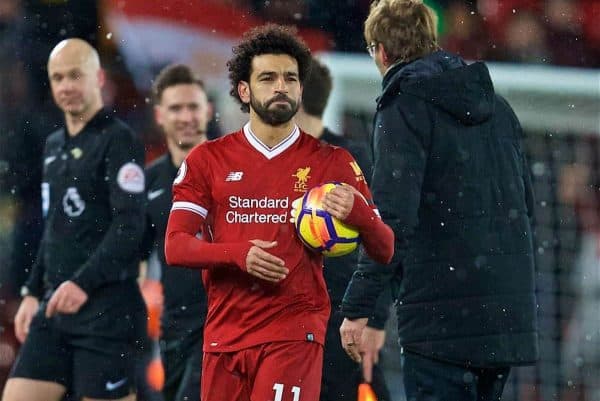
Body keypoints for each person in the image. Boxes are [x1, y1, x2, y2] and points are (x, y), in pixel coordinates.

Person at [164, 24, 394, 401]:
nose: (281, 87)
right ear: (244, 90)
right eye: (268, 78)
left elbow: (384, 248)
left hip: (293, 333)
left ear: (301, 89)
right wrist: (237, 255)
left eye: (290, 78)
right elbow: (176, 246)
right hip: (224, 337)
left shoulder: (333, 163)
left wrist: (360, 214)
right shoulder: (208, 160)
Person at [339, 1, 539, 401]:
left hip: (442, 324)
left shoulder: (404, 105)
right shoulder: (499, 108)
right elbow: (526, 207)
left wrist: (358, 306)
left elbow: (393, 220)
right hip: (502, 320)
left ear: (380, 51)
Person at [2, 38, 147, 401]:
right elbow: (55, 229)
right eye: (58, 78)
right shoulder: (53, 146)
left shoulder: (120, 141)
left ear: (98, 78)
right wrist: (32, 291)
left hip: (106, 314)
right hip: (57, 309)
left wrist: (82, 283)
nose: (66, 86)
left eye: (75, 76)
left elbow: (130, 226)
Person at [294, 57, 391, 401]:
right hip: (284, 322)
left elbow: (384, 239)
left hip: (340, 322)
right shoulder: (267, 164)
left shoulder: (351, 159)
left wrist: (374, 318)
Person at [139, 64, 210, 401]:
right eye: (176, 108)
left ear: (208, 110)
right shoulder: (149, 182)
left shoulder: (237, 168)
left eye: (193, 106)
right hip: (175, 326)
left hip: (225, 320)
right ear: (159, 115)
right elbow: (137, 256)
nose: (186, 116)